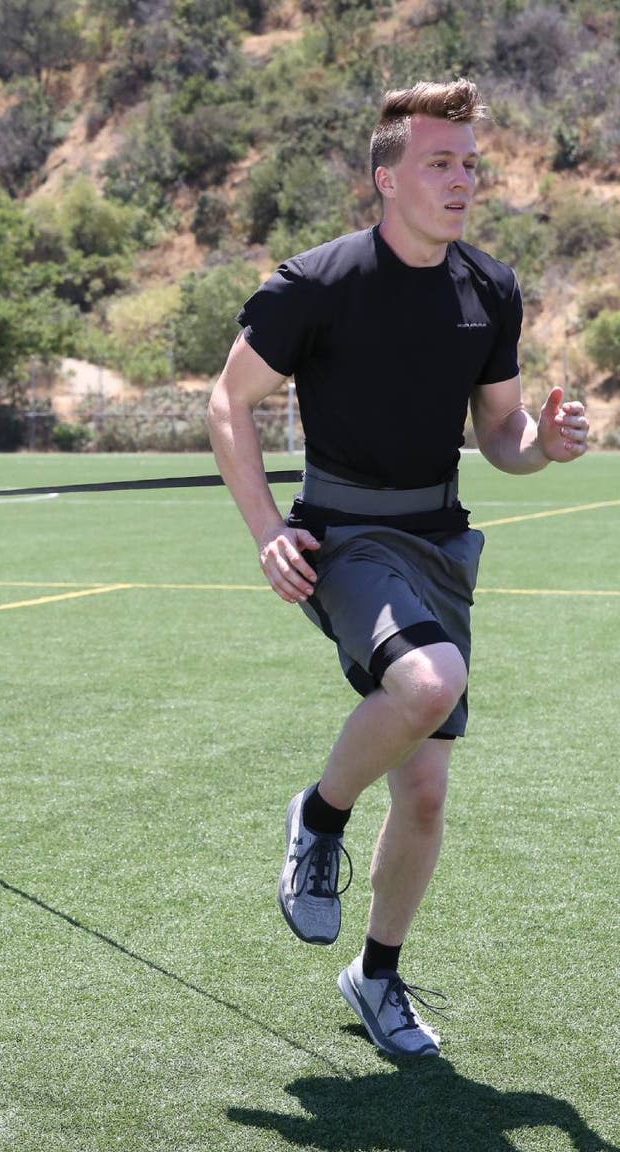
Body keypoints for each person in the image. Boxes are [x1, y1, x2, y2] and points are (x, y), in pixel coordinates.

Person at [208, 79, 590, 1058]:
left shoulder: (489, 290)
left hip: (440, 542)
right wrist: (265, 529)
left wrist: (542, 445)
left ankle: (375, 977)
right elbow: (227, 401)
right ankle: (317, 813)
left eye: (470, 165)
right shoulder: (316, 283)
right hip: (344, 537)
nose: (461, 181)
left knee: (422, 793)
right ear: (386, 178)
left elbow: (499, 434)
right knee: (427, 682)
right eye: (438, 163)